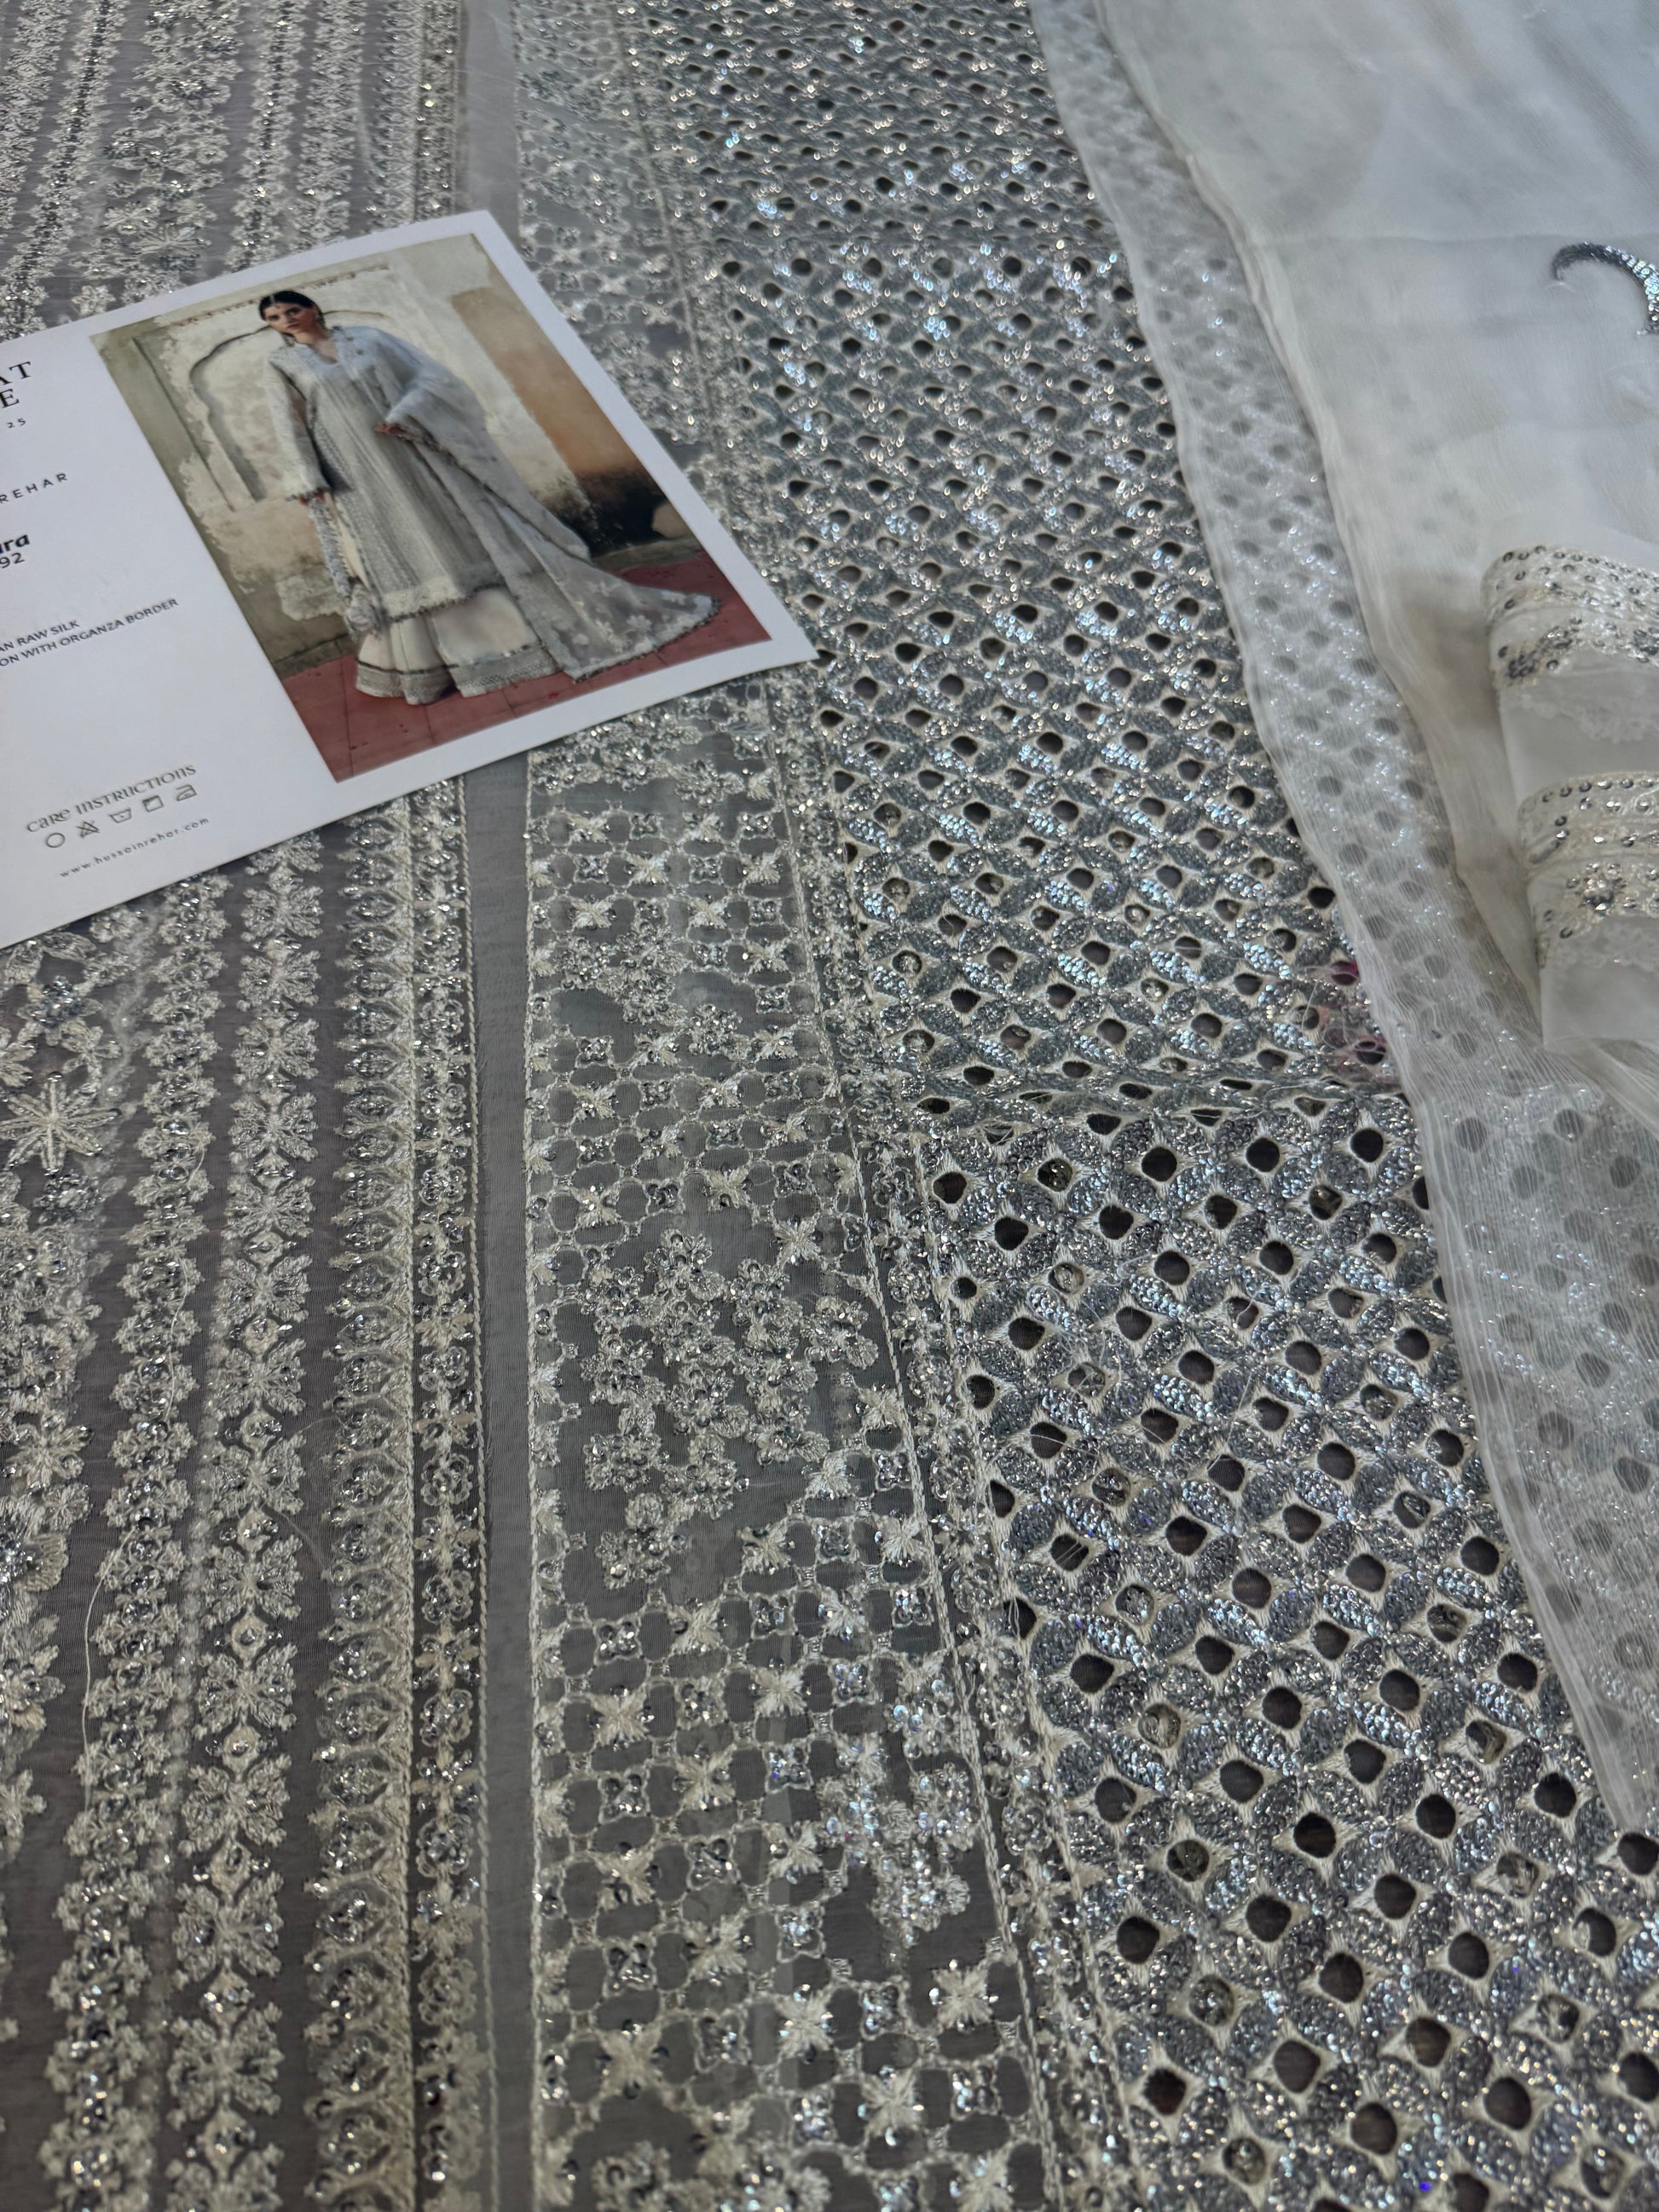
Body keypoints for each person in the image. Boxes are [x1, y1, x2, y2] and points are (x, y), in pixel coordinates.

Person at [260, 288, 714, 703]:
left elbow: (433, 379)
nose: (287, 320)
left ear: (313, 307)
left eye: (292, 309)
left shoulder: (370, 338)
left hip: (416, 446)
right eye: (275, 318)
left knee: (458, 528)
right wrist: (307, 479)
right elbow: (290, 424)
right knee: (404, 547)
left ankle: (524, 636)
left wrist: (408, 413)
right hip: (357, 472)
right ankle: (436, 662)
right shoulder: (284, 366)